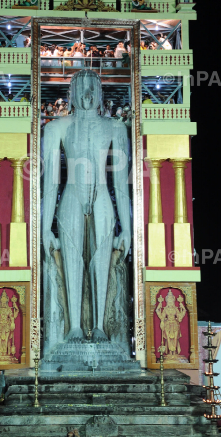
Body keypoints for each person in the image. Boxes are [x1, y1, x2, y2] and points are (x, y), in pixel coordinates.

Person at [43, 69, 131, 342]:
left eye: (93, 87)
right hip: (71, 194)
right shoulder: (57, 127)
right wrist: (45, 228)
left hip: (103, 195)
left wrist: (127, 229)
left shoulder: (115, 127)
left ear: (101, 92)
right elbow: (50, 184)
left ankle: (103, 327)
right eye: (81, 88)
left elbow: (121, 185)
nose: (88, 94)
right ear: (72, 93)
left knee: (102, 257)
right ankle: (72, 328)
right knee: (71, 258)